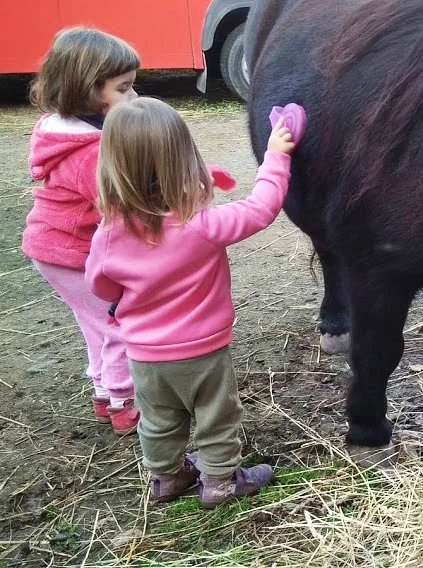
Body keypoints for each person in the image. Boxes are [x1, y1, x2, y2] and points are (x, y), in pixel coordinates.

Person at [85, 97, 297, 506]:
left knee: (159, 420)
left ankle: (167, 478)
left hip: (144, 355)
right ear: (184, 161)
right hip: (203, 352)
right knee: (217, 416)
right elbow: (261, 208)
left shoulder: (108, 234)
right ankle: (219, 482)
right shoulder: (202, 226)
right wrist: (275, 156)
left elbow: (102, 288)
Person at [22, 28, 140, 434]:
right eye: (123, 89)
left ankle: (103, 394)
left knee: (95, 323)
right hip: (72, 252)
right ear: (88, 90)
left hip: (52, 248)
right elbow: (121, 208)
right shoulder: (91, 152)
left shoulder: (59, 130)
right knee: (121, 322)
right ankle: (125, 403)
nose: (133, 97)